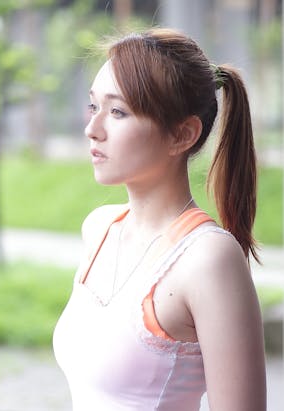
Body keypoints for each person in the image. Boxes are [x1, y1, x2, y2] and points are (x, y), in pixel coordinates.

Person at [52, 28, 266, 411]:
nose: (92, 129)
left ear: (181, 135)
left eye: (117, 112)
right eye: (93, 106)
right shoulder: (100, 229)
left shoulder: (207, 259)